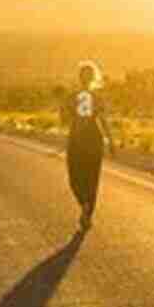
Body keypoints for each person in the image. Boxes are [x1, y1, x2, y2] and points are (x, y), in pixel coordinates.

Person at [61, 60, 115, 231]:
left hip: (77, 139)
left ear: (80, 78)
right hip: (93, 138)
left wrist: (65, 110)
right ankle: (87, 211)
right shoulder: (98, 98)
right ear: (93, 78)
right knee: (92, 179)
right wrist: (111, 140)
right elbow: (103, 120)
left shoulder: (71, 97)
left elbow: (63, 120)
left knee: (75, 177)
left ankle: (84, 203)